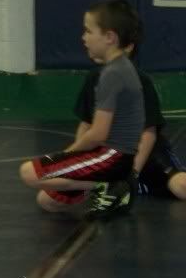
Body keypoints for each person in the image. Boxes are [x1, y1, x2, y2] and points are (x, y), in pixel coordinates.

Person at [19, 0, 144, 219]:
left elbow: (98, 134)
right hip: (115, 156)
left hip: (112, 157)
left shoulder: (113, 73)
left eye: (88, 31)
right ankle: (103, 185)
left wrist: (68, 154)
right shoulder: (120, 68)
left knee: (29, 172)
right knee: (47, 201)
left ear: (109, 37)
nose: (83, 38)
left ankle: (112, 185)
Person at [75, 47, 186, 200]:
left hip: (147, 156)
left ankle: (136, 183)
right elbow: (86, 124)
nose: (85, 38)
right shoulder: (94, 78)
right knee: (52, 195)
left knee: (180, 186)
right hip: (111, 156)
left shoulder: (140, 81)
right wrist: (75, 161)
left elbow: (148, 134)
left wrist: (132, 174)